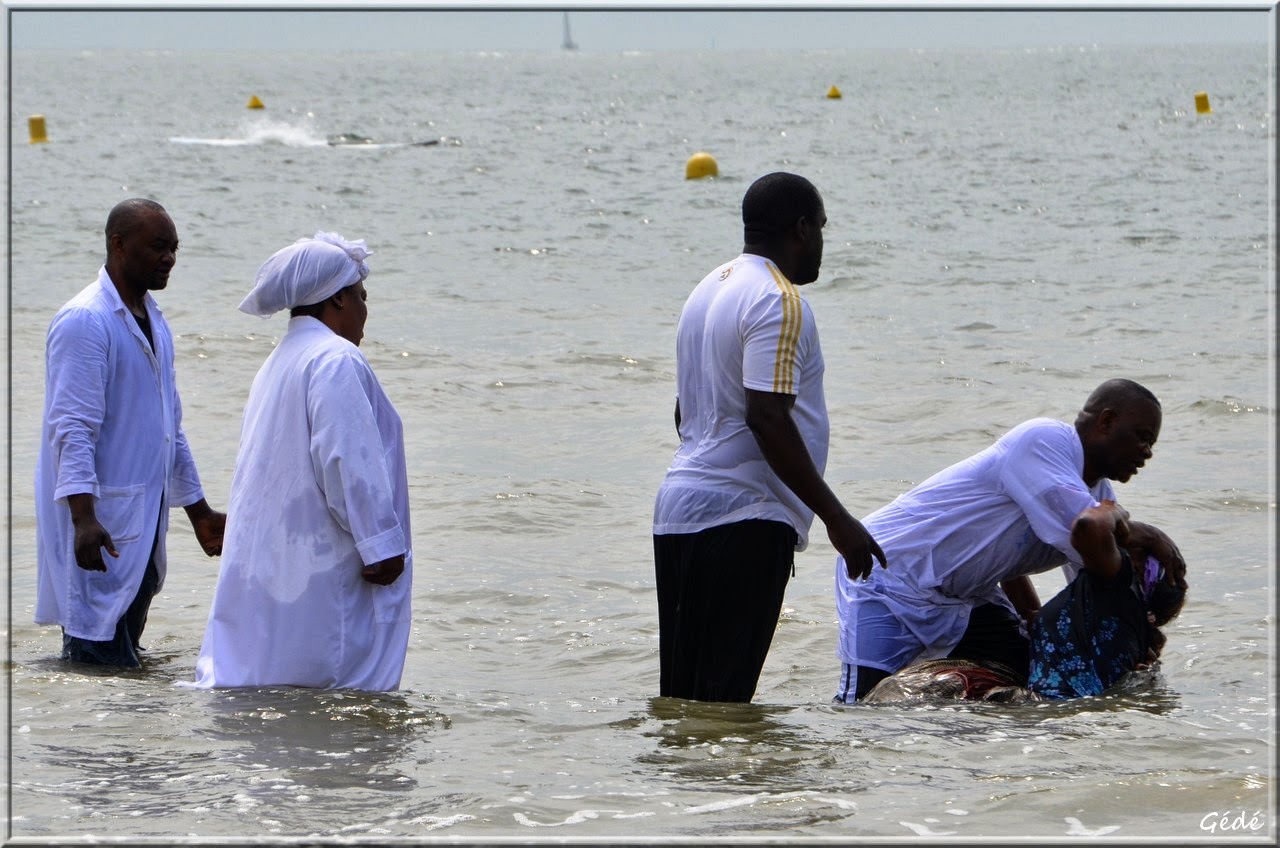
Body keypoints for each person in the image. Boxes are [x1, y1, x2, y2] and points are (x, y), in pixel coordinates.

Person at [653, 172, 886, 703]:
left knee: (684, 702)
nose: (822, 241)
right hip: (744, 519)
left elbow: (685, 413)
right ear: (802, 228)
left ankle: (676, 765)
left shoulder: (707, 290)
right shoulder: (778, 300)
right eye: (822, 227)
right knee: (725, 707)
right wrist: (838, 520)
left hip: (677, 512)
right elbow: (767, 419)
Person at [834, 378, 1186, 703]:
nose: (1147, 452)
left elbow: (1019, 559)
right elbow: (1087, 528)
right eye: (1142, 438)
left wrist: (1129, 636)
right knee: (862, 708)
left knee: (1029, 671)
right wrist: (1149, 534)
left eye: (1152, 444)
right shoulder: (1045, 441)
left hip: (966, 597)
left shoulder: (1099, 495)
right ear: (1106, 421)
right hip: (888, 572)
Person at [192, 232, 411, 691]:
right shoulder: (335, 359)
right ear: (337, 300)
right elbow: (347, 460)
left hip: (276, 565)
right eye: (362, 297)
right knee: (331, 691)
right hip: (319, 566)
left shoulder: (278, 362)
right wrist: (381, 543)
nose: (365, 311)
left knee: (266, 680)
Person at [35, 198, 225, 668]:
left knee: (124, 668)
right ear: (118, 245)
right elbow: (72, 428)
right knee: (94, 658)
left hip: (141, 524)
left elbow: (168, 428)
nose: (169, 258)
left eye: (175, 248)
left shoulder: (154, 319)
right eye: (158, 247)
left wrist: (198, 512)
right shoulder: (86, 321)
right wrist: (83, 519)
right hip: (100, 528)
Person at [861, 502, 1188, 703]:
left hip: (1028, 704)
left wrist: (1142, 531)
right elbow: (1031, 610)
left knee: (885, 707)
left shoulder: (1115, 592)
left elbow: (1091, 525)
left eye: (1130, 550)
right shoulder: (1107, 621)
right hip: (1035, 708)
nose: (1121, 545)